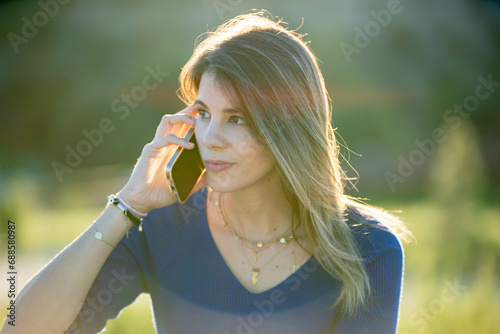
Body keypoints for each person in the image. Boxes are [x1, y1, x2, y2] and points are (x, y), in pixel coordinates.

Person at [1, 10, 414, 334]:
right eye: (203, 113)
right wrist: (126, 205)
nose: (210, 138)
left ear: (288, 126)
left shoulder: (369, 250)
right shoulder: (162, 228)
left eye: (237, 118)